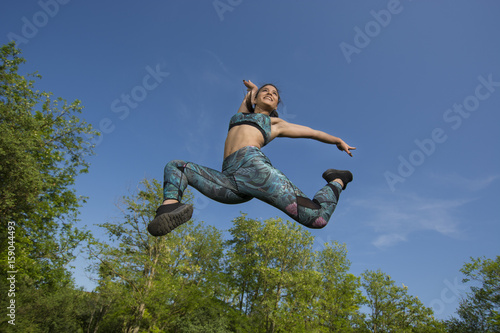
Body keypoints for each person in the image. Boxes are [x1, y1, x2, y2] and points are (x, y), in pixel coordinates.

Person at [147, 80, 355, 236]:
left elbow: (311, 132)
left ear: (275, 106)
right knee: (176, 167)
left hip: (255, 170)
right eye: (266, 90)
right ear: (254, 99)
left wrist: (337, 140)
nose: (270, 94)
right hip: (229, 179)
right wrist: (251, 91)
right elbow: (246, 104)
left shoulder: (275, 124)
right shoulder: (239, 117)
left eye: (274, 94)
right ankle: (170, 207)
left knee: (316, 219)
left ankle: (338, 180)